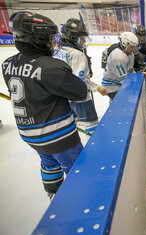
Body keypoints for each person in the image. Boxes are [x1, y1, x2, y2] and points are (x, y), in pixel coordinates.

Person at [2, 12, 88, 199]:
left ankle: (53, 195)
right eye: (50, 38)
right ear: (37, 39)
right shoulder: (51, 67)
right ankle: (80, 203)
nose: (53, 42)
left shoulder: (7, 63)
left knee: (49, 163)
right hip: (57, 136)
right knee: (78, 171)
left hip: (29, 134)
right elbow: (81, 93)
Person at [54, 18, 107, 134]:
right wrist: (98, 88)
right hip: (80, 98)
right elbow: (79, 81)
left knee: (73, 123)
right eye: (81, 38)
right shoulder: (77, 55)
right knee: (92, 128)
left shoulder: (58, 50)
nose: (83, 41)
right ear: (73, 37)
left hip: (64, 97)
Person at [101, 31, 138, 101]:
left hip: (119, 83)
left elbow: (131, 70)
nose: (133, 50)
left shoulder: (130, 54)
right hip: (112, 86)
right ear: (125, 44)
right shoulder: (118, 57)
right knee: (125, 102)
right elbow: (123, 80)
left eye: (134, 47)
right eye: (131, 47)